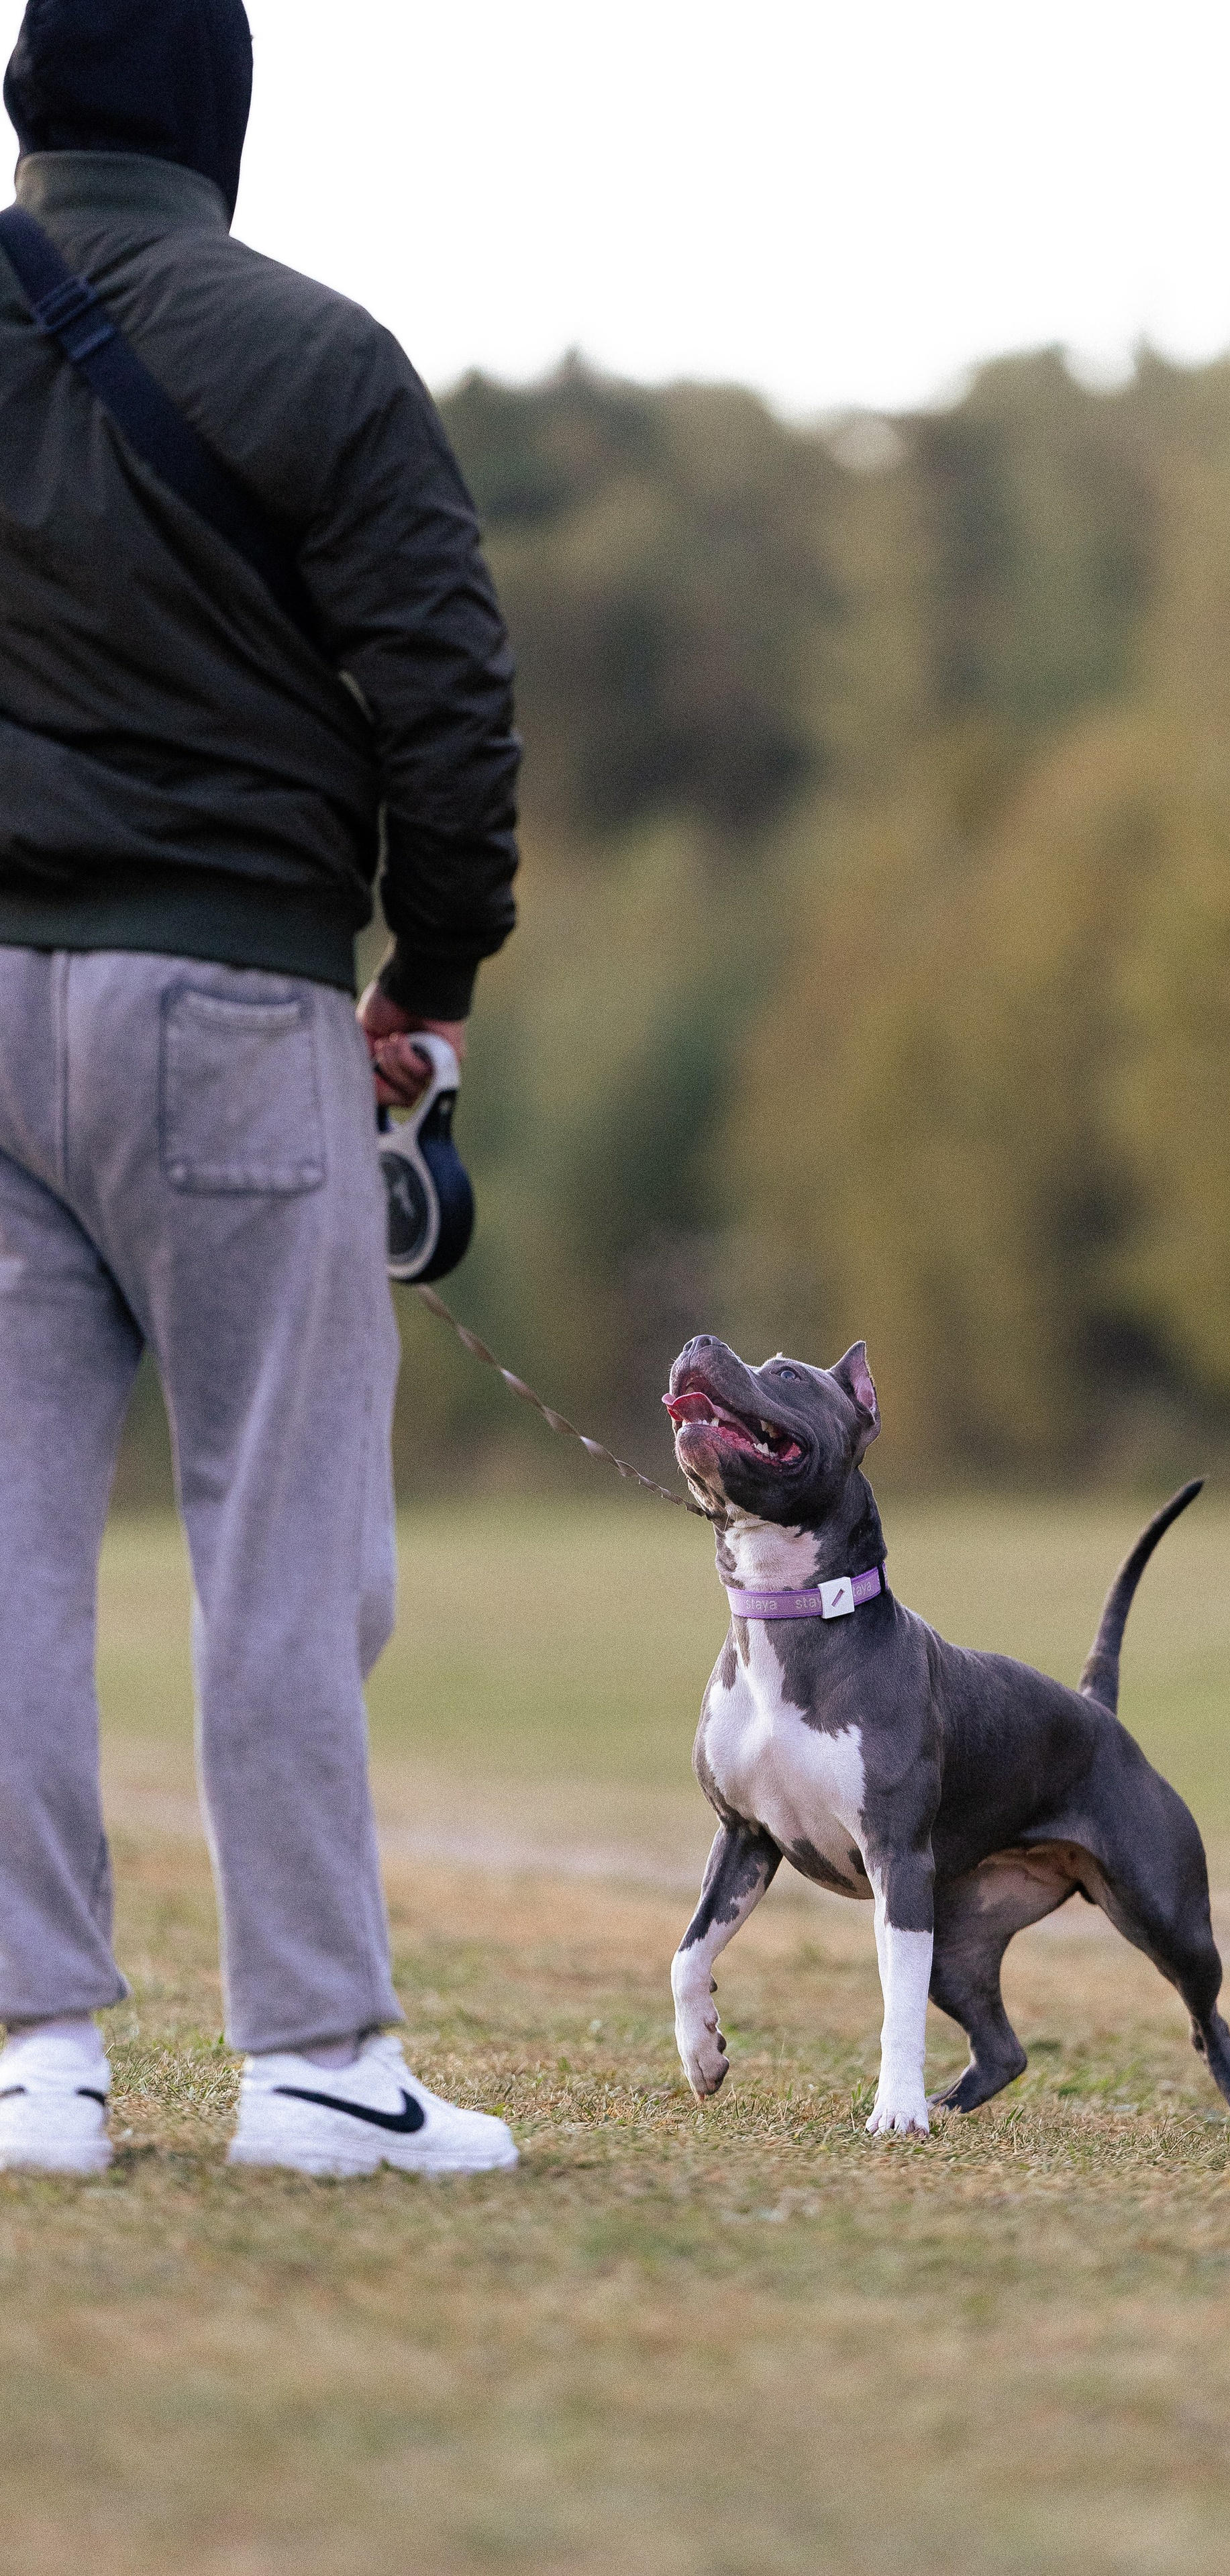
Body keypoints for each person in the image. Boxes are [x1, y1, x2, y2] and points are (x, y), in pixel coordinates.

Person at [0, 0, 523, 2176]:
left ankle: (33, 2066)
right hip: (232, 1001)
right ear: (221, 117)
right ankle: (315, 2062)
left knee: (7, 1555)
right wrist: (440, 971)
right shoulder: (318, 352)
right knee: (288, 1547)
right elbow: (448, 690)